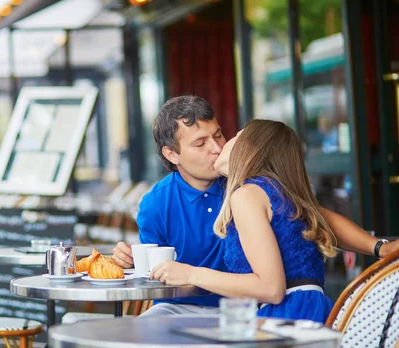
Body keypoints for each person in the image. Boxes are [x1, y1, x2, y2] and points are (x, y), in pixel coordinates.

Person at [112, 95, 399, 317]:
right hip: (185, 307)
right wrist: (134, 264)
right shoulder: (155, 204)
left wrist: (377, 246)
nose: (217, 148)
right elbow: (157, 276)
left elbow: (310, 215)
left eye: (219, 135)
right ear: (172, 154)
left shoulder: (247, 186)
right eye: (200, 143)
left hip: (251, 307)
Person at [152, 120, 335, 322]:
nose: (219, 147)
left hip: (285, 318)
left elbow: (271, 289)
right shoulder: (277, 193)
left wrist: (190, 274)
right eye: (200, 143)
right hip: (313, 311)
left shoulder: (247, 195)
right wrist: (376, 246)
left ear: (251, 150)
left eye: (236, 137)